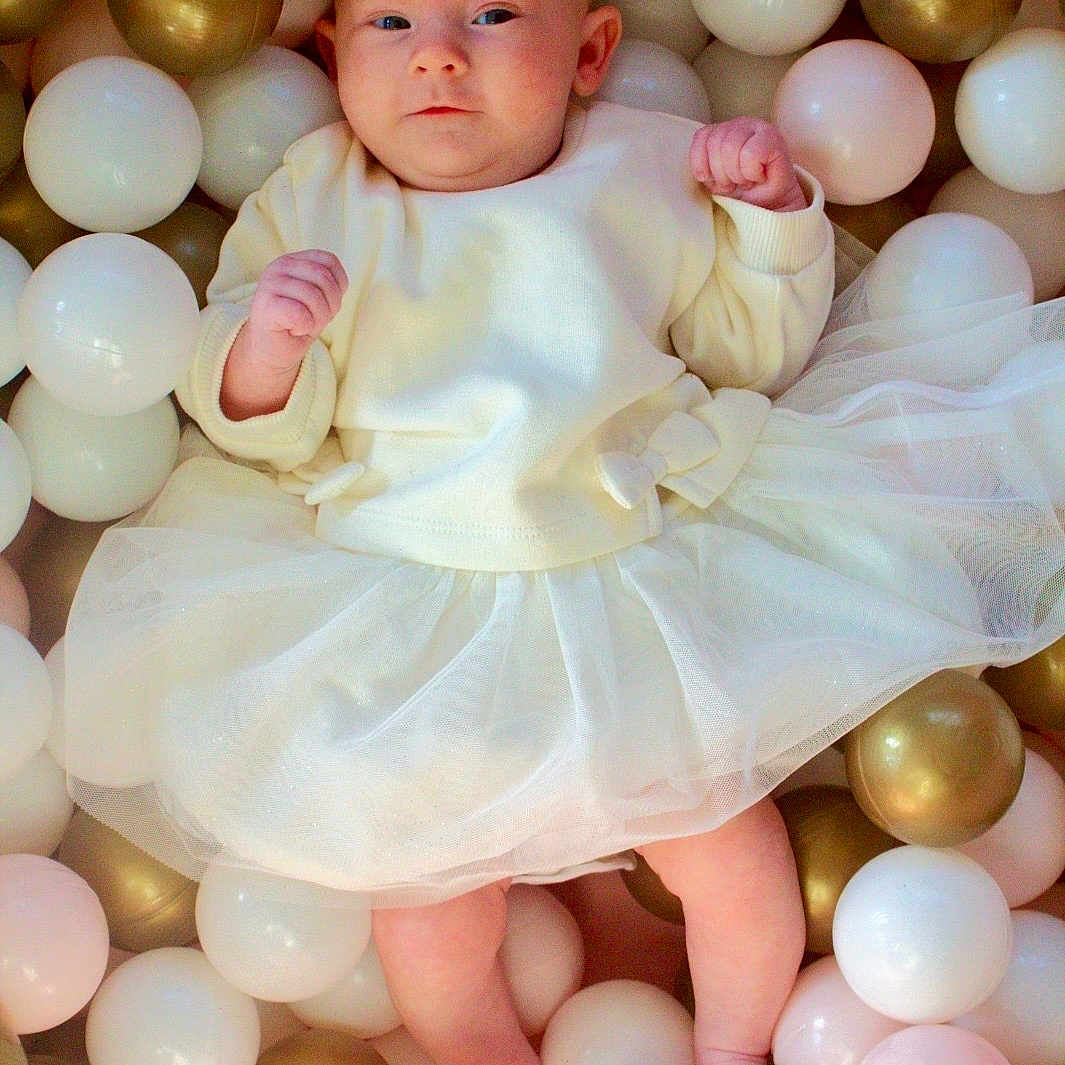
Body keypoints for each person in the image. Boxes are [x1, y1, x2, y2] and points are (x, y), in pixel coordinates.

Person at [62, 2, 1065, 1064]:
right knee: (425, 912)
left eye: (493, 14)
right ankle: (484, 1051)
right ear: (334, 58)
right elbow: (259, 434)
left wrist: (769, 219)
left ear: (589, 52)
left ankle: (735, 1047)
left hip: (633, 573)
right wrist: (267, 346)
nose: (438, 50)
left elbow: (748, 355)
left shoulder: (645, 166)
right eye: (390, 22)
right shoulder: (315, 196)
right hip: (412, 607)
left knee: (733, 857)